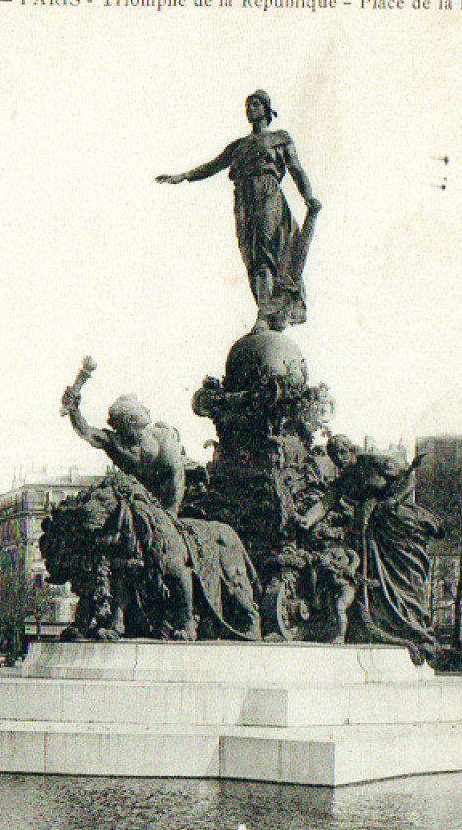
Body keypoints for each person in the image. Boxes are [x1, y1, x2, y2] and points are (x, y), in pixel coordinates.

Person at [157, 90, 322, 332]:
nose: (250, 109)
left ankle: (264, 315)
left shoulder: (280, 138)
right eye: (247, 105)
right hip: (244, 199)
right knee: (251, 255)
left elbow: (295, 169)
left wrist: (309, 197)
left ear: (266, 109)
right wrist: (182, 176)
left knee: (265, 249)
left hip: (267, 193)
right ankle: (265, 309)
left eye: (255, 104)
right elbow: (212, 166)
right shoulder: (239, 146)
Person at [298, 436, 443, 661]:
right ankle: (386, 624)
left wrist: (393, 501)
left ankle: (411, 624)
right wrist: (306, 520)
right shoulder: (344, 479)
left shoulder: (374, 463)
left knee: (403, 578)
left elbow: (408, 478)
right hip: (368, 531)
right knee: (373, 579)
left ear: (351, 449)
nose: (338, 459)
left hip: (394, 523)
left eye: (342, 453)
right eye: (334, 456)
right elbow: (325, 503)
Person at [60, 388, 186, 515]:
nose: (147, 410)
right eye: (142, 408)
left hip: (174, 491)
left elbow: (176, 473)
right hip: (143, 497)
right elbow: (86, 432)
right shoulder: (115, 443)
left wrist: (172, 510)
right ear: (131, 419)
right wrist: (74, 410)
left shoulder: (162, 438)